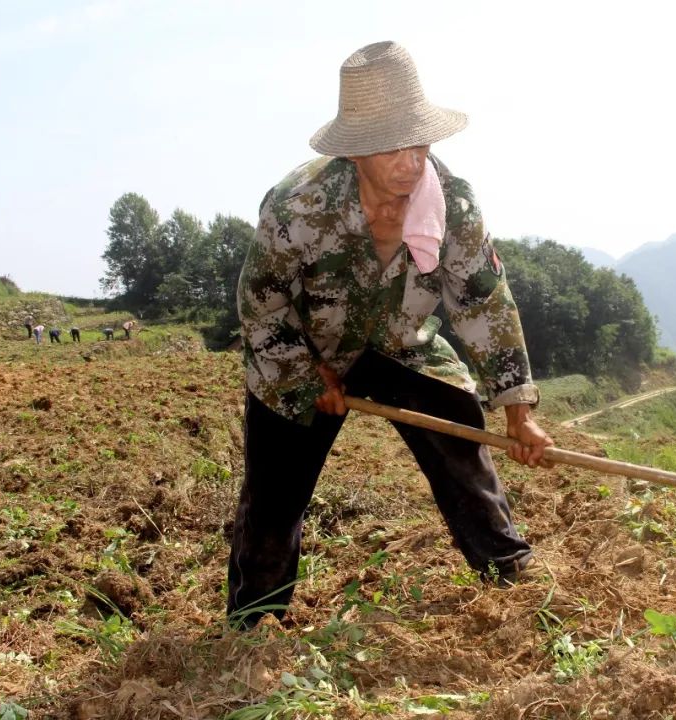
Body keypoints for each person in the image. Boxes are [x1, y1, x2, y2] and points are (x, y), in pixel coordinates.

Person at [227, 41, 553, 630]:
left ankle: (509, 573)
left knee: (460, 440)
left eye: (420, 142)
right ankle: (253, 623)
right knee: (274, 497)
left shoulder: (451, 204)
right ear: (354, 150)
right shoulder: (298, 206)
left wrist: (517, 407)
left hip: (402, 343)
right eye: (391, 144)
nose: (411, 161)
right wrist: (307, 376)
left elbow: (482, 299)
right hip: (301, 353)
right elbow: (261, 303)